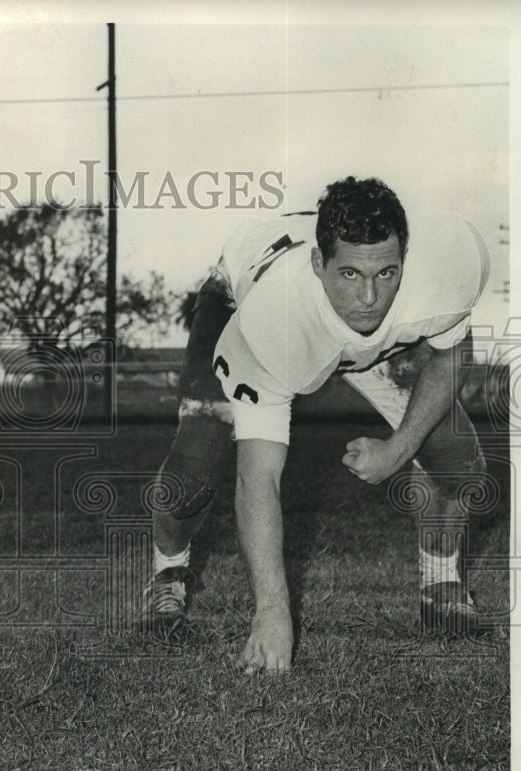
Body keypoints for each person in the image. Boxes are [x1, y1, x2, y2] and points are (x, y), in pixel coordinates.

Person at [145, 176, 490, 673]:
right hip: (245, 300)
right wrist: (272, 612)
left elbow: (450, 353)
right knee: (192, 470)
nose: (370, 297)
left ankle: (441, 584)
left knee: (458, 462)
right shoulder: (274, 319)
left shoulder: (451, 263)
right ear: (318, 264)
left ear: (405, 260)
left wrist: (396, 451)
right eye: (349, 274)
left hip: (372, 347)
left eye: (387, 272)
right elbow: (257, 476)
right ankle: (168, 572)